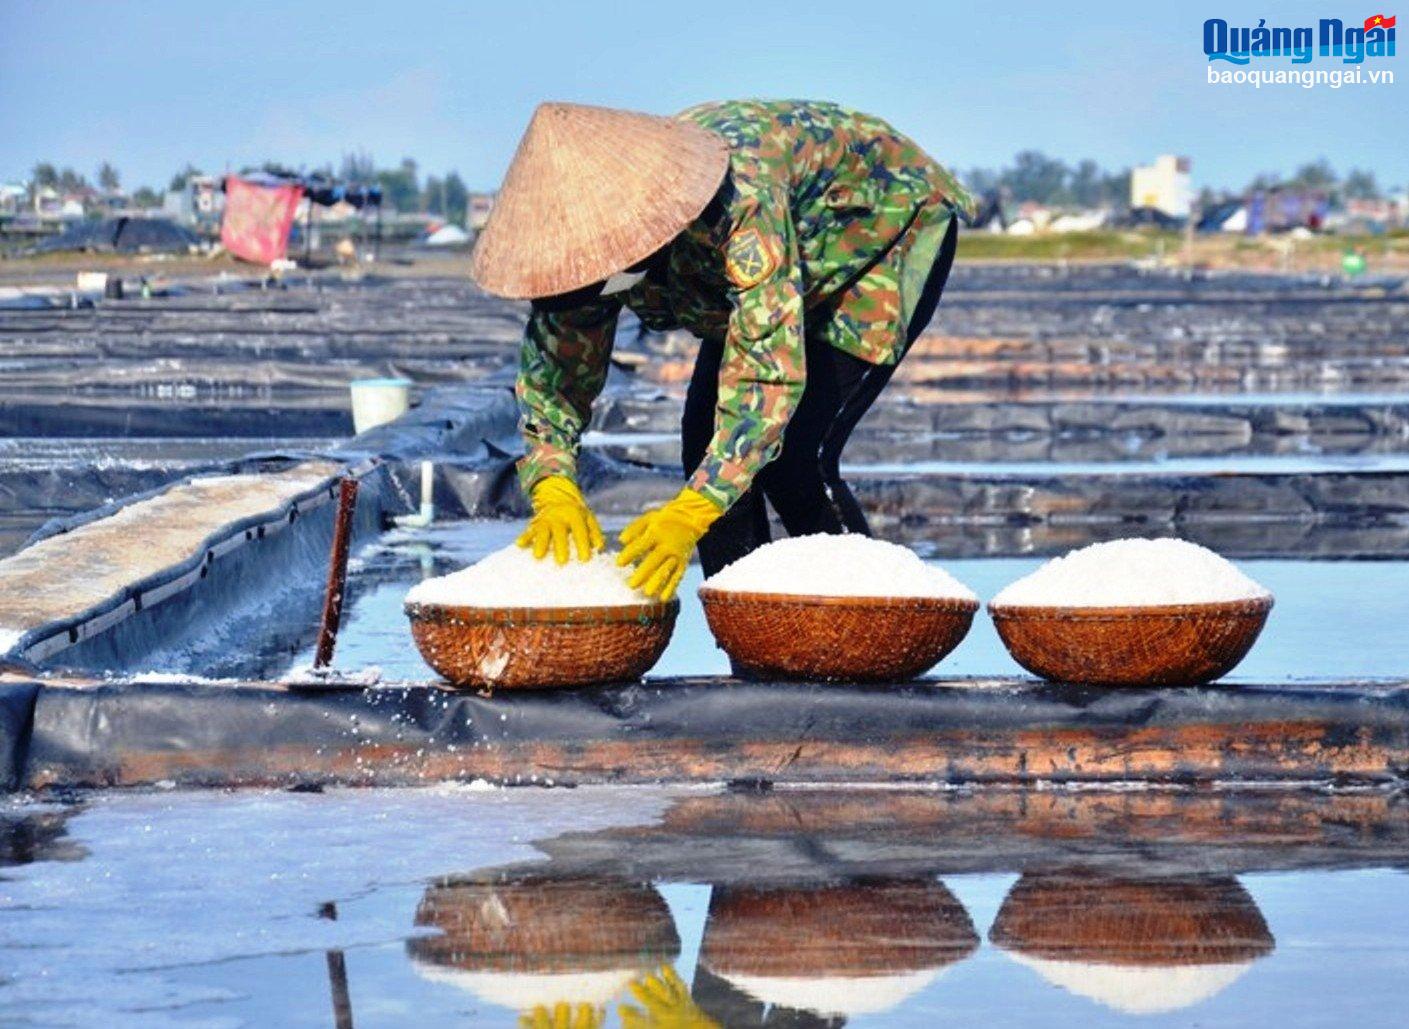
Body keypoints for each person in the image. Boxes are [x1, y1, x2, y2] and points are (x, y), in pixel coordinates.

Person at [471, 99, 969, 600]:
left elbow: (765, 375)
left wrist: (692, 513)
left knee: (795, 456)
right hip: (769, 257)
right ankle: (746, 635)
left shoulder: (739, 201)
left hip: (875, 235)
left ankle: (867, 620)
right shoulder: (578, 239)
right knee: (706, 444)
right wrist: (552, 481)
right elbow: (553, 370)